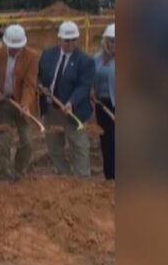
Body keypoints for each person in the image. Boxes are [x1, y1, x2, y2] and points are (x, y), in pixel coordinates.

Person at [37, 21, 95, 177]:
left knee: (80, 145)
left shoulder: (85, 61)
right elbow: (39, 76)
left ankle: (82, 178)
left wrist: (71, 102)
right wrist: (41, 86)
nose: (70, 43)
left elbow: (83, 86)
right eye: (67, 40)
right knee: (54, 145)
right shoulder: (47, 55)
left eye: (73, 39)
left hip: (73, 111)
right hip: (51, 110)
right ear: (59, 39)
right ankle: (64, 175)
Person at [0, 24, 38, 180]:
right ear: (6, 43)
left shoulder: (31, 57)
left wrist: (25, 105)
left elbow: (30, 84)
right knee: (4, 142)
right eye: (12, 47)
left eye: (19, 47)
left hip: (22, 103)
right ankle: (3, 173)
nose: (16, 50)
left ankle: (18, 171)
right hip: (3, 103)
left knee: (27, 142)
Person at [93, 23, 116, 180]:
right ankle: (110, 176)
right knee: (107, 141)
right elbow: (89, 79)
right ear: (105, 42)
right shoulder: (96, 59)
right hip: (102, 106)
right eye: (111, 41)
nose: (114, 44)